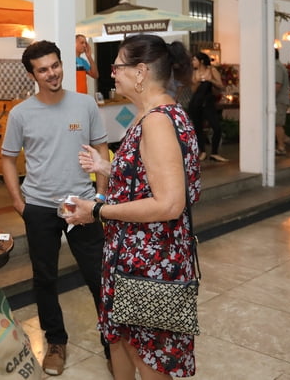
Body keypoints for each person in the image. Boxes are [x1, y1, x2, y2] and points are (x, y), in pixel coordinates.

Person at [72, 34, 201, 379]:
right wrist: (107, 168)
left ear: (140, 71)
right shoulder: (159, 113)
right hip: (134, 256)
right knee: (123, 342)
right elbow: (149, 176)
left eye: (117, 66)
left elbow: (169, 203)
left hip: (150, 261)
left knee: (148, 356)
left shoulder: (157, 121)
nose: (112, 73)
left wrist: (97, 211)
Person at [1, 40, 110, 376]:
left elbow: (101, 148)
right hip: (39, 206)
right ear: (32, 75)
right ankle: (56, 342)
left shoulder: (84, 104)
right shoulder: (21, 113)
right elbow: (7, 158)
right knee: (45, 278)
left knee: (99, 276)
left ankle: (113, 344)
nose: (52, 73)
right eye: (43, 69)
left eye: (55, 65)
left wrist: (99, 197)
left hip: (81, 204)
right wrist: (19, 201)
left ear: (62, 64)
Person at [188, 52, 227, 162]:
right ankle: (203, 151)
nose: (193, 62)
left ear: (201, 61)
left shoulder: (211, 70)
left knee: (216, 127)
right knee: (198, 128)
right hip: (196, 103)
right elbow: (193, 90)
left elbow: (221, 86)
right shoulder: (194, 73)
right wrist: (198, 82)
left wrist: (210, 80)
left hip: (208, 103)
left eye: (194, 60)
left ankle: (214, 152)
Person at [274, 49, 290, 155]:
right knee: (275, 123)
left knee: (277, 124)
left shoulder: (276, 66)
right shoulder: (278, 65)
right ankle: (286, 139)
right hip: (280, 99)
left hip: (279, 100)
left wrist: (270, 98)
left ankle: (281, 147)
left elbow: (277, 84)